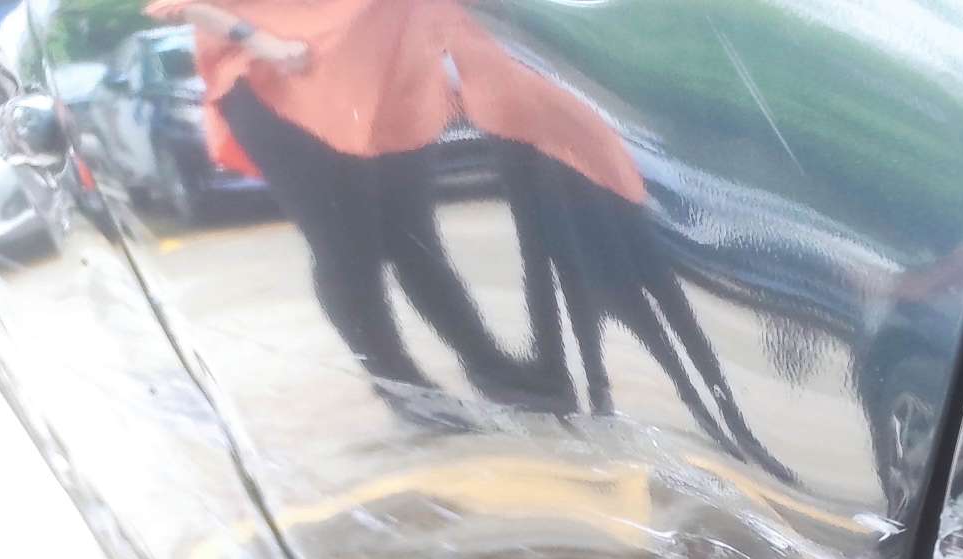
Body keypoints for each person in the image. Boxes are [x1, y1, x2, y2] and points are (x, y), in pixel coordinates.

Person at [145, 0, 643, 423]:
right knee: (345, 244)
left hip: (391, 78)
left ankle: (492, 370)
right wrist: (260, 41)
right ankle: (401, 385)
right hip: (285, 82)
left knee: (413, 237)